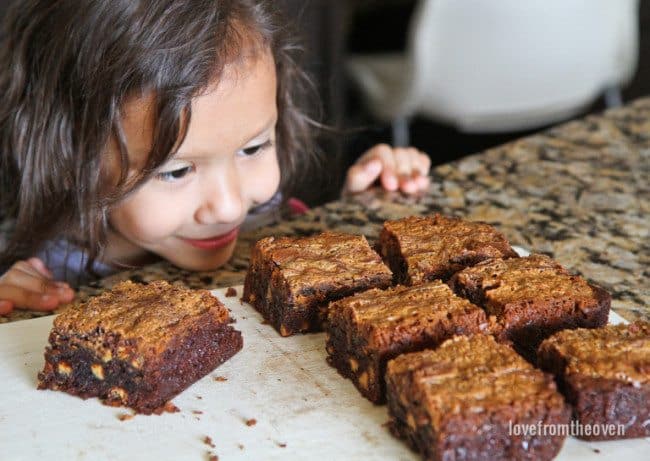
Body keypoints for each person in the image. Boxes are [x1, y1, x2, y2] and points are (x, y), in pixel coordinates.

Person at [0, 0, 431, 315]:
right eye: (177, 171)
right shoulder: (39, 271)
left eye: (253, 147)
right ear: (70, 155)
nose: (229, 206)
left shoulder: (268, 220)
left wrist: (360, 209)